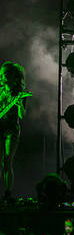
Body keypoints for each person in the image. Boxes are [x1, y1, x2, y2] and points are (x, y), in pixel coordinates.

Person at [0, 61, 26, 202]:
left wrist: (19, 104)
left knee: (7, 161)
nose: (1, 78)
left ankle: (8, 193)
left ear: (12, 77)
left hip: (12, 130)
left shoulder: (19, 94)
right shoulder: (1, 91)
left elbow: (22, 115)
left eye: (3, 75)